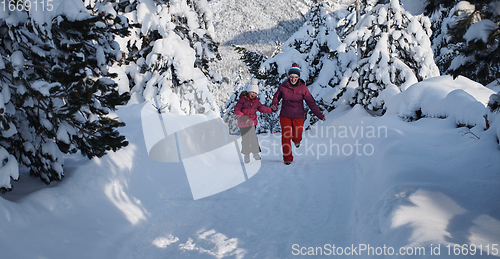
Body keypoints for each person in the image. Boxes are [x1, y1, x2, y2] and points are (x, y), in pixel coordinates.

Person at [271, 63, 326, 165]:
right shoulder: (283, 86)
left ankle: (297, 140)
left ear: (298, 77)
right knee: (285, 136)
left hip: (298, 115)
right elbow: (276, 97)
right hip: (285, 115)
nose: (293, 79)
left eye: (295, 77)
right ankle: (287, 158)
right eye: (291, 77)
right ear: (289, 77)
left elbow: (311, 102)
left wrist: (320, 115)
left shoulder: (303, 88)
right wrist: (274, 104)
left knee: (297, 136)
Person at [234, 79, 277, 163]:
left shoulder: (256, 101)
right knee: (246, 139)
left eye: (255, 93)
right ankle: (246, 155)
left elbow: (262, 108)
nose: (253, 94)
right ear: (249, 91)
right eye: (252, 92)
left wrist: (272, 109)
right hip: (243, 123)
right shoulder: (243, 100)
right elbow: (236, 110)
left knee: (253, 138)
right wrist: (243, 117)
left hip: (252, 123)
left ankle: (255, 153)